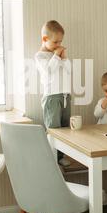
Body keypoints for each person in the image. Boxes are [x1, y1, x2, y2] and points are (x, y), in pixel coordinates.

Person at [35, 20, 71, 166]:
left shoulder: (58, 55)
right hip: (52, 97)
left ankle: (61, 156)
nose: (59, 45)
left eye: (60, 42)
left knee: (65, 128)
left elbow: (69, 70)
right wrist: (56, 56)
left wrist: (64, 58)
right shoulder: (40, 56)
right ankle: (52, 159)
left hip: (65, 96)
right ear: (45, 39)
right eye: (56, 42)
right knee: (53, 128)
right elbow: (48, 71)